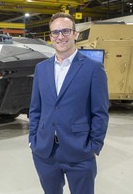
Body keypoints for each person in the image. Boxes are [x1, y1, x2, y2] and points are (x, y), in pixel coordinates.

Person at [28, 12, 109, 194]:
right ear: (50, 37)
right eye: (55, 32)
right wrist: (33, 140)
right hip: (45, 152)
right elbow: (35, 109)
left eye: (65, 31)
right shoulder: (41, 69)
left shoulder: (93, 69)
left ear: (75, 34)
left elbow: (100, 112)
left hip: (79, 152)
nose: (60, 36)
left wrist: (94, 146)